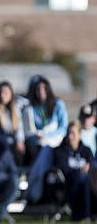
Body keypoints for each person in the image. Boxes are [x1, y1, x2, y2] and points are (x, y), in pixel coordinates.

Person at [22, 75, 68, 203]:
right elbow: (29, 131)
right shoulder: (31, 108)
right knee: (42, 154)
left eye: (44, 88)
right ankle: (35, 192)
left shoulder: (58, 104)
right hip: (38, 146)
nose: (41, 91)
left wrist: (47, 137)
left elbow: (63, 127)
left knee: (44, 153)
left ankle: (33, 191)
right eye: (38, 89)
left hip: (55, 144)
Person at [53, 121, 94, 222]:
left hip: (88, 182)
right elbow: (64, 169)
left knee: (87, 180)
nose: (70, 136)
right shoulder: (60, 151)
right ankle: (85, 216)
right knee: (82, 178)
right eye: (68, 133)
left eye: (73, 133)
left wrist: (90, 168)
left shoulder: (86, 151)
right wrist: (81, 170)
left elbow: (92, 166)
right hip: (68, 183)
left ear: (80, 135)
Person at [0, 81, 26, 166]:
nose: (3, 95)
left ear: (11, 94)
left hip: (12, 141)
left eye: (6, 92)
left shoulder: (15, 109)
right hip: (0, 141)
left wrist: (20, 140)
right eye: (1, 92)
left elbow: (19, 127)